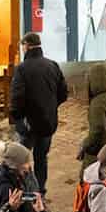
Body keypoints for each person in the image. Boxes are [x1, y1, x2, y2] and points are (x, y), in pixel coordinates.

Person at [8, 32, 67, 190]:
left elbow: (17, 98)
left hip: (28, 124)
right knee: (41, 157)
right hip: (47, 122)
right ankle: (40, 189)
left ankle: (23, 189)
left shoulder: (22, 69)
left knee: (20, 158)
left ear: (26, 46)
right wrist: (51, 106)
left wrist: (17, 117)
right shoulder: (53, 65)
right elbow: (63, 93)